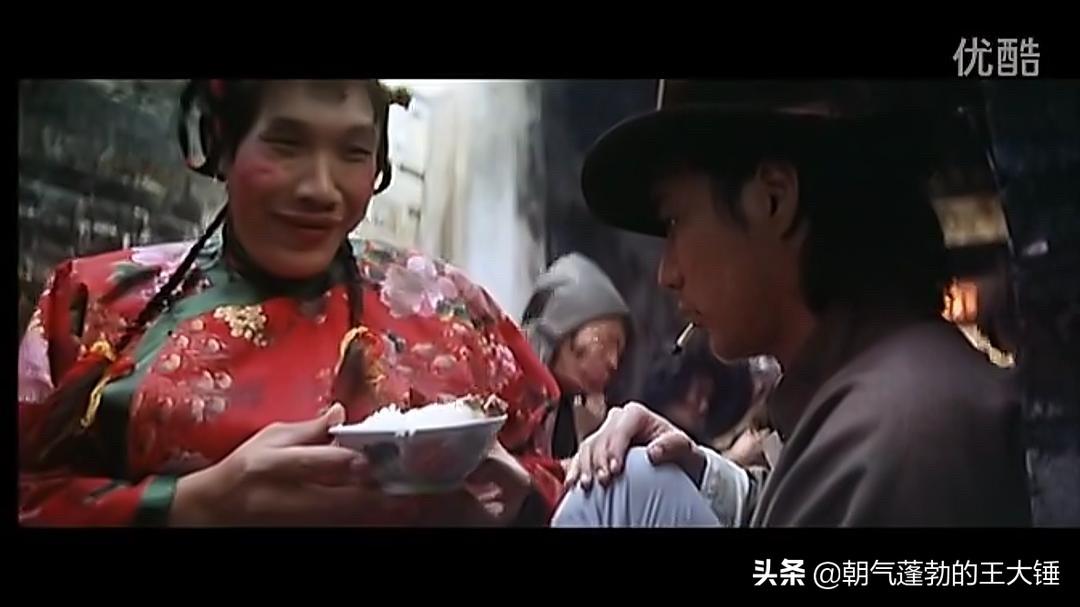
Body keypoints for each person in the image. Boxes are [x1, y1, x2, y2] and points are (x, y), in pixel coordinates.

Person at [18, 79, 564, 526]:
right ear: (221, 143)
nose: (321, 188)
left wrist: (517, 508)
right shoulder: (98, 305)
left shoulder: (450, 309)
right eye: (286, 144)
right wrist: (195, 504)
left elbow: (552, 479)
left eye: (353, 152)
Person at [553, 80, 1031, 527]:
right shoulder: (881, 404)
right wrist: (705, 477)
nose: (667, 273)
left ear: (773, 200)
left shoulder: (904, 438)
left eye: (676, 221)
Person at [520, 253, 631, 461]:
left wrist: (591, 437)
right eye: (606, 343)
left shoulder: (571, 415)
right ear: (561, 327)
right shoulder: (505, 390)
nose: (613, 362)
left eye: (619, 353)